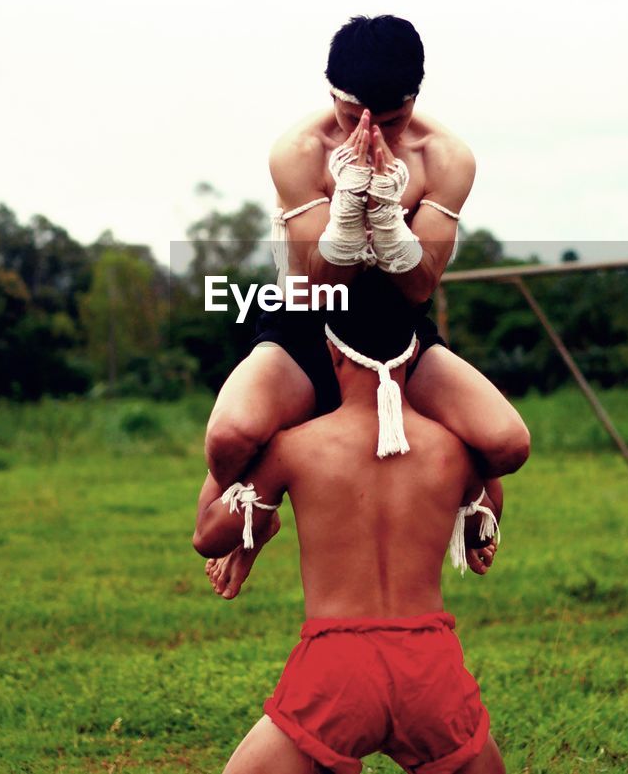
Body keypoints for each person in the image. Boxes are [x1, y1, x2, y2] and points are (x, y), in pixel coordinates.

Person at [193, 272, 508, 774]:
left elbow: (208, 536)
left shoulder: (291, 447)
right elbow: (483, 519)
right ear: (414, 357)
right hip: (430, 665)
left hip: (337, 665)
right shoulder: (454, 450)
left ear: (332, 354)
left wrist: (235, 459)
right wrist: (476, 534)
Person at [204, 15, 530, 499]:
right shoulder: (299, 151)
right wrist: (348, 210)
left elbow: (420, 286)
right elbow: (318, 284)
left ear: (414, 99)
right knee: (229, 438)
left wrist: (386, 218)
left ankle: (457, 495)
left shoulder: (446, 157)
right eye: (352, 115)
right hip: (307, 322)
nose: (370, 132)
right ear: (331, 93)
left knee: (507, 444)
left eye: (391, 120)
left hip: (399, 335)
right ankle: (264, 503)